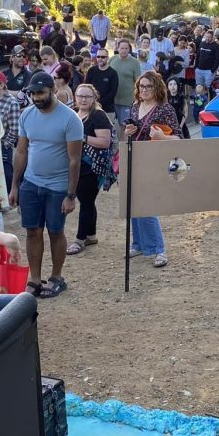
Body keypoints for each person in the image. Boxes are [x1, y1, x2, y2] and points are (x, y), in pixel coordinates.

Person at [9, 71, 84, 298]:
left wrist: (70, 195)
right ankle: (34, 278)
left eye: (40, 93)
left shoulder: (70, 119)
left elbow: (75, 160)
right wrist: (15, 185)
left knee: (55, 230)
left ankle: (56, 277)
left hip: (58, 185)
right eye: (33, 93)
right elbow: (21, 151)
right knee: (32, 231)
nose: (36, 97)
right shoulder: (27, 115)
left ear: (52, 90)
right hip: (31, 183)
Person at [122, 72, 179, 268]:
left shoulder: (165, 109)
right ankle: (138, 244)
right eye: (141, 86)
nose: (144, 90)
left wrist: (162, 137)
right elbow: (130, 133)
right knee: (133, 203)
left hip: (154, 161)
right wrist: (128, 132)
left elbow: (178, 138)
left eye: (148, 86)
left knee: (148, 205)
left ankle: (159, 249)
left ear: (157, 88)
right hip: (134, 158)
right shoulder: (135, 106)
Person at [66, 83, 114, 256]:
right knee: (88, 201)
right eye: (80, 96)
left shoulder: (98, 115)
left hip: (93, 166)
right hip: (78, 164)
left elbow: (104, 142)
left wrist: (83, 137)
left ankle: (79, 240)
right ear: (75, 97)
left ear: (94, 98)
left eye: (87, 96)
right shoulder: (74, 113)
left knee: (85, 201)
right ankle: (91, 235)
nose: (83, 99)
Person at [0, 71, 23, 191]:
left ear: (1, 85)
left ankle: (8, 202)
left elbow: (14, 130)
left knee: (5, 177)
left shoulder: (12, 103)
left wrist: (3, 146)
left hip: (2, 147)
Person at [110, 38, 141, 129]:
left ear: (129, 49)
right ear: (118, 48)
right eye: (122, 48)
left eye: (126, 48)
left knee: (124, 126)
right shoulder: (112, 59)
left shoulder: (135, 62)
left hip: (127, 101)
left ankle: (124, 143)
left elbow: (138, 81)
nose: (124, 50)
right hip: (112, 100)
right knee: (111, 126)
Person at [85, 48, 119, 116]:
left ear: (107, 58)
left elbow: (113, 92)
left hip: (107, 110)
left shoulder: (113, 73)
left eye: (103, 57)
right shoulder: (91, 70)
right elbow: (86, 87)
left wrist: (99, 103)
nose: (100, 59)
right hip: (91, 107)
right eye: (98, 56)